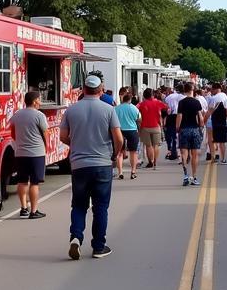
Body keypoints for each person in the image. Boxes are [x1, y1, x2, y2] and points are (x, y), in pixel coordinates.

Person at [60, 73, 123, 260]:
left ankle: (76, 237)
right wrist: (114, 153)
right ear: (101, 91)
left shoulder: (71, 110)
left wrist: (77, 143)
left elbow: (63, 136)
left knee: (79, 205)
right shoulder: (109, 109)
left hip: (79, 164)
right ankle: (98, 246)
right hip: (102, 163)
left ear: (83, 90)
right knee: (100, 207)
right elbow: (118, 138)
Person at [11, 88, 49, 218]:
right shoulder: (39, 116)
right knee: (34, 182)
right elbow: (45, 133)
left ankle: (23, 209)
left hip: (20, 153)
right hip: (36, 153)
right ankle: (33, 211)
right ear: (34, 101)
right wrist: (46, 147)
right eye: (39, 99)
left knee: (22, 181)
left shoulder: (17, 115)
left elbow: (12, 132)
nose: (40, 101)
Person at [176, 82, 207, 186]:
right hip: (194, 129)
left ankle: (185, 175)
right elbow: (200, 116)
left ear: (184, 90)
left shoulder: (181, 102)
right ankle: (194, 177)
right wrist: (201, 126)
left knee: (184, 153)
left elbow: (179, 116)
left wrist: (177, 127)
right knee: (194, 154)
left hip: (184, 129)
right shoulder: (196, 102)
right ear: (192, 90)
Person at [115, 91, 142, 179]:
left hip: (120, 131)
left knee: (119, 152)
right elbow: (139, 120)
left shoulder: (116, 108)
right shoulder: (134, 108)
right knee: (133, 152)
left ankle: (120, 173)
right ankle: (133, 172)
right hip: (132, 131)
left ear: (123, 99)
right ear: (130, 100)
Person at [137, 88, 164, 170]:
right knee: (156, 145)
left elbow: (135, 110)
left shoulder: (141, 104)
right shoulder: (158, 102)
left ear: (144, 95)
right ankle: (155, 162)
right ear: (152, 94)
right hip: (156, 126)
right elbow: (168, 109)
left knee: (148, 146)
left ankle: (150, 162)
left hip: (145, 127)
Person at [207, 82, 227, 164]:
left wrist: (204, 120)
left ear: (216, 89)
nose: (211, 91)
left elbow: (209, 111)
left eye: (212, 89)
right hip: (223, 122)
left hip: (214, 121)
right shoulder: (226, 97)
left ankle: (213, 158)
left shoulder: (214, 98)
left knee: (213, 140)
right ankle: (223, 159)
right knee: (222, 142)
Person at [163, 83, 183, 160]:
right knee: (178, 134)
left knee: (171, 134)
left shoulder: (169, 97)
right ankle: (177, 151)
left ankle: (172, 150)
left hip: (171, 116)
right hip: (179, 115)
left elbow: (166, 108)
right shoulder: (182, 97)